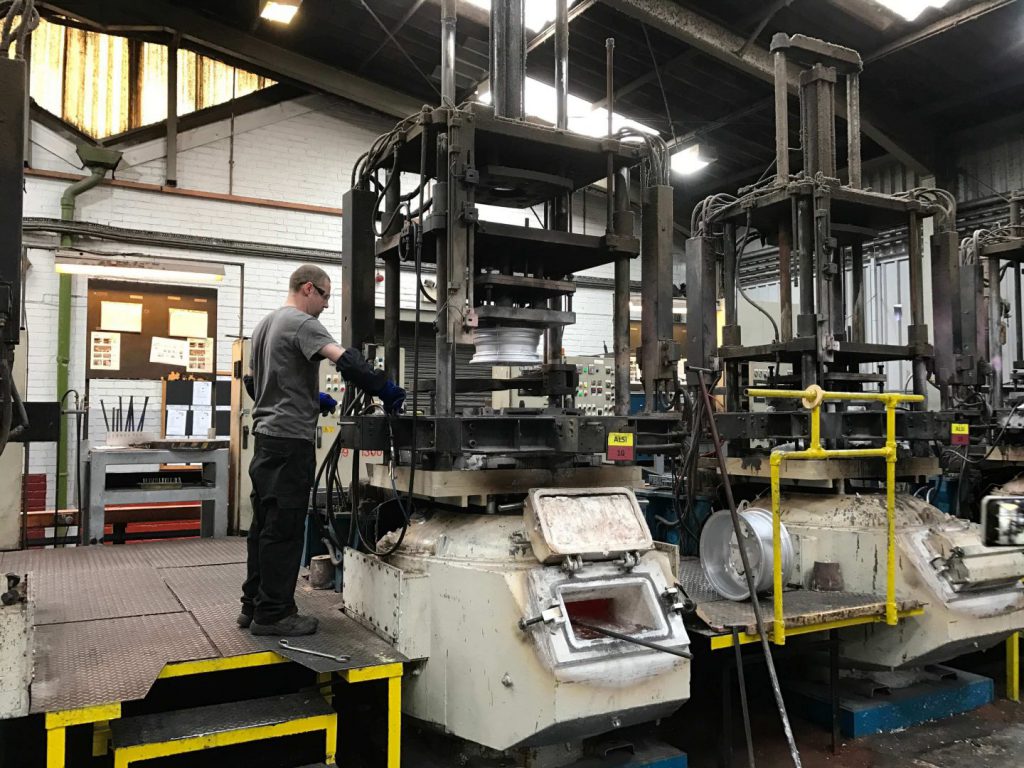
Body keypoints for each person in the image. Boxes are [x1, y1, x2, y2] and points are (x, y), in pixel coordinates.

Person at [239, 264, 404, 636]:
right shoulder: (301, 322)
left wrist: (310, 397)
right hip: (289, 444)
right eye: (326, 296)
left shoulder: (265, 325)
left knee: (263, 525)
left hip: (266, 441)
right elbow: (343, 359)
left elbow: (255, 383)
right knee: (285, 528)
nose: (327, 306)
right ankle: (275, 614)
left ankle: (253, 605)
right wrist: (386, 389)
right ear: (309, 288)